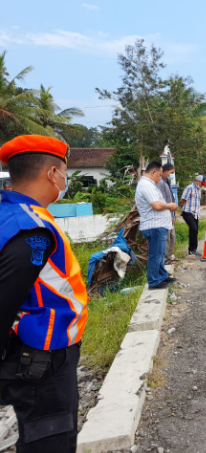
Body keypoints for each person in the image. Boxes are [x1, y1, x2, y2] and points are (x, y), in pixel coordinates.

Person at [0, 135, 90, 452]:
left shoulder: (11, 213)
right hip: (42, 363)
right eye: (64, 173)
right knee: (51, 441)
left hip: (32, 354)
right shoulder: (31, 230)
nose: (64, 181)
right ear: (53, 174)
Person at [135, 162, 179, 289]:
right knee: (156, 254)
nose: (160, 178)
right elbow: (157, 205)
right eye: (159, 175)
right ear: (153, 173)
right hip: (154, 225)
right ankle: (154, 281)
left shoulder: (150, 184)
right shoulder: (146, 185)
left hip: (158, 224)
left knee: (160, 253)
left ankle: (162, 276)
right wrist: (169, 206)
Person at [157, 163, 177, 265]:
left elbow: (170, 199)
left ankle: (169, 256)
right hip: (164, 215)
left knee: (172, 236)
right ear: (165, 172)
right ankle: (165, 258)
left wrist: (173, 215)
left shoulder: (167, 181)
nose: (172, 174)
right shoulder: (160, 183)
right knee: (166, 237)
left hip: (170, 214)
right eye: (171, 172)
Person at [180, 175, 204, 256]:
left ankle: (193, 250)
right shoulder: (189, 188)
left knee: (195, 230)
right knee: (193, 229)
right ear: (197, 181)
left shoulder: (199, 190)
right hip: (187, 212)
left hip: (195, 213)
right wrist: (181, 208)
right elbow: (182, 199)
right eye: (202, 183)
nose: (202, 185)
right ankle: (192, 250)